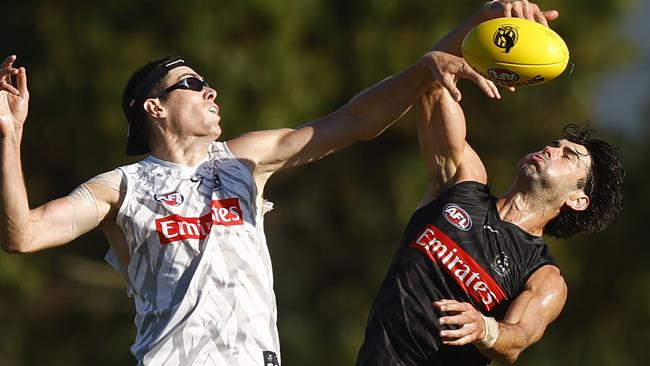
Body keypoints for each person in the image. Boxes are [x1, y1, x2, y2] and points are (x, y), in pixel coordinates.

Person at [0, 5, 504, 365]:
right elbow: (22, 234)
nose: (209, 88)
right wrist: (9, 133)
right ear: (153, 108)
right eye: (192, 84)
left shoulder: (244, 161)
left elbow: (356, 121)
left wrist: (463, 35)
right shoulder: (123, 187)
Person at [355, 1, 625, 366]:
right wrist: (487, 20)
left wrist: (485, 328)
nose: (552, 148)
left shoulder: (543, 278)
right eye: (556, 144)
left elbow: (518, 338)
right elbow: (432, 78)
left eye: (568, 156)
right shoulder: (461, 182)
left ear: (578, 199)